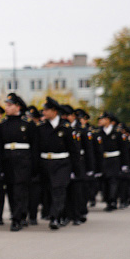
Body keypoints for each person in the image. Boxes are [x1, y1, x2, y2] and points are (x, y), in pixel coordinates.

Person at [36, 97, 79, 229]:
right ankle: (55, 214)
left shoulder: (65, 127)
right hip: (45, 162)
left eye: (46, 110)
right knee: (48, 191)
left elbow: (74, 149)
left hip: (62, 163)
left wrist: (75, 169)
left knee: (58, 190)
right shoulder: (41, 127)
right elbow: (36, 148)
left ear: (54, 111)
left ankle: (55, 217)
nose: (43, 112)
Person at [0, 93, 38, 231]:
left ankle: (17, 218)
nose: (6, 108)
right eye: (6, 105)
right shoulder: (3, 124)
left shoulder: (28, 123)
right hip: (8, 160)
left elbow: (35, 145)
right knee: (11, 188)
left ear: (18, 106)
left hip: (23, 160)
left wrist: (35, 165)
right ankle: (18, 214)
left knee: (20, 189)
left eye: (9, 105)